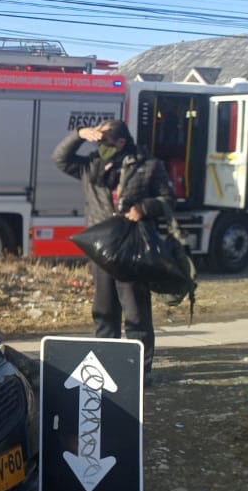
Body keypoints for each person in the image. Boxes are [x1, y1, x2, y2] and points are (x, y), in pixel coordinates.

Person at [53, 119, 174, 380]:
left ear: (121, 142)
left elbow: (168, 200)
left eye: (104, 139)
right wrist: (79, 134)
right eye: (96, 140)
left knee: (136, 311)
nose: (98, 144)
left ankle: (139, 371)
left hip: (132, 248)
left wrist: (145, 208)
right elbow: (60, 158)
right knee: (105, 310)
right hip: (101, 247)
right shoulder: (91, 166)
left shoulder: (149, 165)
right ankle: (106, 365)